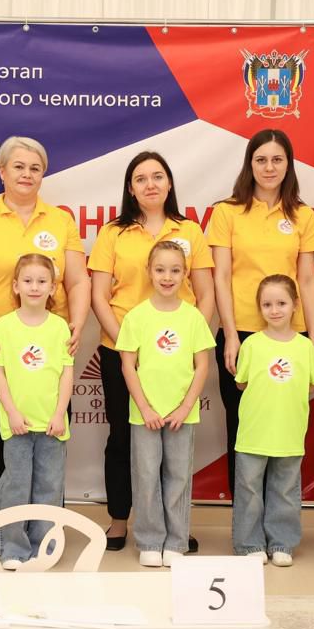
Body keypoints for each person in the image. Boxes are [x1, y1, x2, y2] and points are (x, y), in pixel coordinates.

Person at [89, 150, 213, 551]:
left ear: (169, 182)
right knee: (123, 437)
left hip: (175, 353)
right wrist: (130, 346)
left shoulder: (189, 231)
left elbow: (206, 293)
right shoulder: (113, 233)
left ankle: (172, 527)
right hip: (121, 351)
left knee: (172, 441)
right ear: (130, 188)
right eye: (141, 179)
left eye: (158, 176)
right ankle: (119, 520)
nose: (150, 184)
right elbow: (98, 295)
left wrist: (192, 340)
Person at [0, 136, 89, 513]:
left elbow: (78, 281)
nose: (26, 174)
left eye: (35, 168)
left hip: (50, 342)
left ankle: (46, 525)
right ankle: (1, 526)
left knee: (51, 433)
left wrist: (77, 324)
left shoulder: (61, 221)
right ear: (2, 172)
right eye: (18, 166)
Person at [208, 130, 314, 500]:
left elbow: (307, 279)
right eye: (261, 160)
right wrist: (229, 335)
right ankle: (246, 519)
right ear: (250, 164)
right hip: (242, 332)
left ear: (288, 165)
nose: (269, 167)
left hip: (291, 337)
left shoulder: (303, 215)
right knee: (243, 426)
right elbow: (221, 276)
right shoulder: (227, 212)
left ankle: (280, 518)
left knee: (285, 425)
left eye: (277, 159)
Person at [116, 241, 214, 568]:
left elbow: (202, 365)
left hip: (181, 415)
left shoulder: (194, 318)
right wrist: (145, 407)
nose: (167, 277)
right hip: (145, 414)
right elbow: (128, 365)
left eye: (175, 270)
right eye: (160, 270)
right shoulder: (136, 317)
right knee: (146, 476)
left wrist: (185, 407)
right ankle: (149, 539)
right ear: (149, 272)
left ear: (186, 274)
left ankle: (176, 540)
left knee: (178, 477)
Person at [0, 254, 75, 569]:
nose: (34, 287)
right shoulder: (4, 326)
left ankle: (44, 549)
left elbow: (66, 373)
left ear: (53, 288)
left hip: (52, 425)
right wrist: (12, 412)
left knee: (49, 487)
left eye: (42, 281)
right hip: (17, 424)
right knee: (16, 485)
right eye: (27, 281)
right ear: (16, 286)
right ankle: (12, 548)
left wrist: (59, 413)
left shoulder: (59, 327)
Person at [233, 275, 314, 566]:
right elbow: (242, 382)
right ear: (259, 308)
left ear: (295, 305)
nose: (274, 310)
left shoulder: (305, 347)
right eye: (267, 304)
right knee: (249, 491)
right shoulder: (252, 344)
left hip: (289, 432)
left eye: (281, 303)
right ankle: (249, 544)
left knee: (285, 491)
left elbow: (309, 386)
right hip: (254, 433)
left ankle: (282, 543)